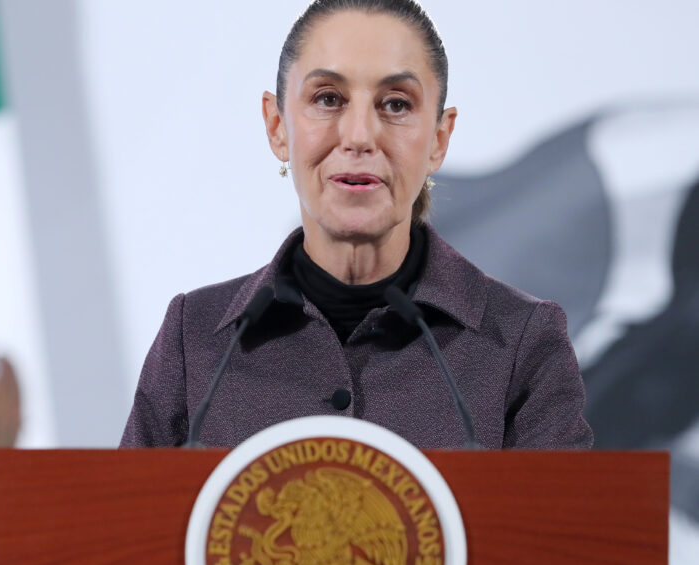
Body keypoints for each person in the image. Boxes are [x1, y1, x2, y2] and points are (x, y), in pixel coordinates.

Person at [120, 0, 593, 450]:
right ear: (277, 126)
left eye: (396, 104)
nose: (360, 136)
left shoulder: (522, 341)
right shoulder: (195, 339)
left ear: (439, 139)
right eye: (328, 98)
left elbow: (562, 512)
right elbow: (128, 509)